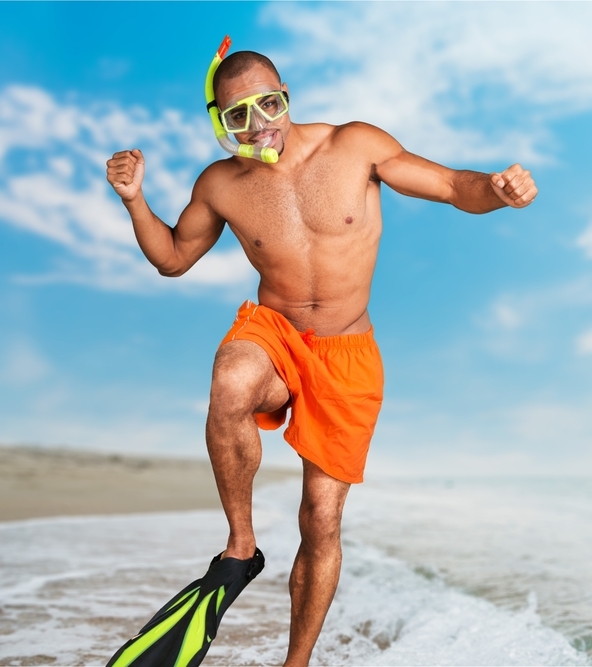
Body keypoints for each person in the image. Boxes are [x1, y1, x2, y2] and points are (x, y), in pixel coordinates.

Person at [106, 49, 537, 667]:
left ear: (286, 95)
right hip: (275, 334)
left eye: (269, 105)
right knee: (230, 382)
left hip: (347, 353)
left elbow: (449, 185)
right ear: (220, 122)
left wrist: (497, 190)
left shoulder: (354, 145)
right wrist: (133, 199)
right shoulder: (221, 184)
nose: (260, 127)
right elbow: (172, 257)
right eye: (239, 118)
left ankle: (297, 662)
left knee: (322, 517)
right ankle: (240, 545)